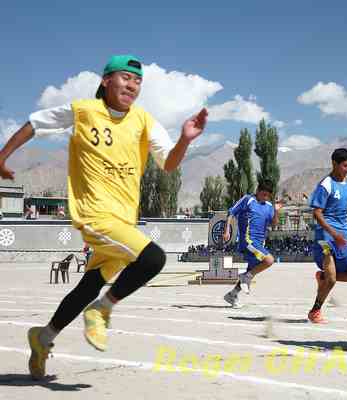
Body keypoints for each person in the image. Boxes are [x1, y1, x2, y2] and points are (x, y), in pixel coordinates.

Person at [0, 55, 208, 380]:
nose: (132, 85)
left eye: (138, 81)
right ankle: (101, 310)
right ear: (106, 80)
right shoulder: (83, 111)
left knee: (89, 285)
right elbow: (35, 123)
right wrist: (2, 156)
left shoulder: (143, 120)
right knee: (153, 259)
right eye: (126, 77)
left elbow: (168, 164)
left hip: (124, 221)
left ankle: (43, 337)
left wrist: (184, 139)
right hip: (94, 214)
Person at [308, 148, 347, 323]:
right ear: (334, 164)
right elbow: (317, 213)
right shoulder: (326, 184)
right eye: (345, 166)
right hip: (325, 236)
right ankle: (315, 311)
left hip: (343, 236)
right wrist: (333, 232)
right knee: (332, 279)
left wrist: (345, 232)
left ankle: (323, 277)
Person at [222, 180, 282, 308]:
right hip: (248, 240)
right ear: (257, 191)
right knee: (269, 260)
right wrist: (227, 230)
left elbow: (274, 224)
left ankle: (232, 294)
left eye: (268, 196)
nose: (265, 197)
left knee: (251, 271)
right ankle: (245, 278)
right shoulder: (248, 200)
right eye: (263, 194)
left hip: (260, 243)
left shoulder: (269, 206)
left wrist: (276, 211)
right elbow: (231, 212)